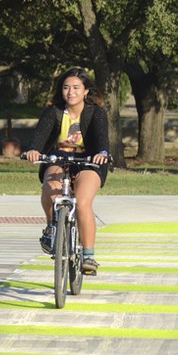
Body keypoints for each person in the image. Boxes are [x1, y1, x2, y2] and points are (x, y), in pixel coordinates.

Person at [23, 68, 110, 275]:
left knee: (82, 202)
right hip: (58, 158)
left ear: (86, 91)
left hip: (89, 162)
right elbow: (39, 137)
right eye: (66, 87)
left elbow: (101, 139)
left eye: (76, 88)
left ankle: (88, 256)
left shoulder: (96, 113)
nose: (70, 92)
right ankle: (52, 228)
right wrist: (34, 150)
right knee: (50, 191)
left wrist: (102, 153)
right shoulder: (53, 112)